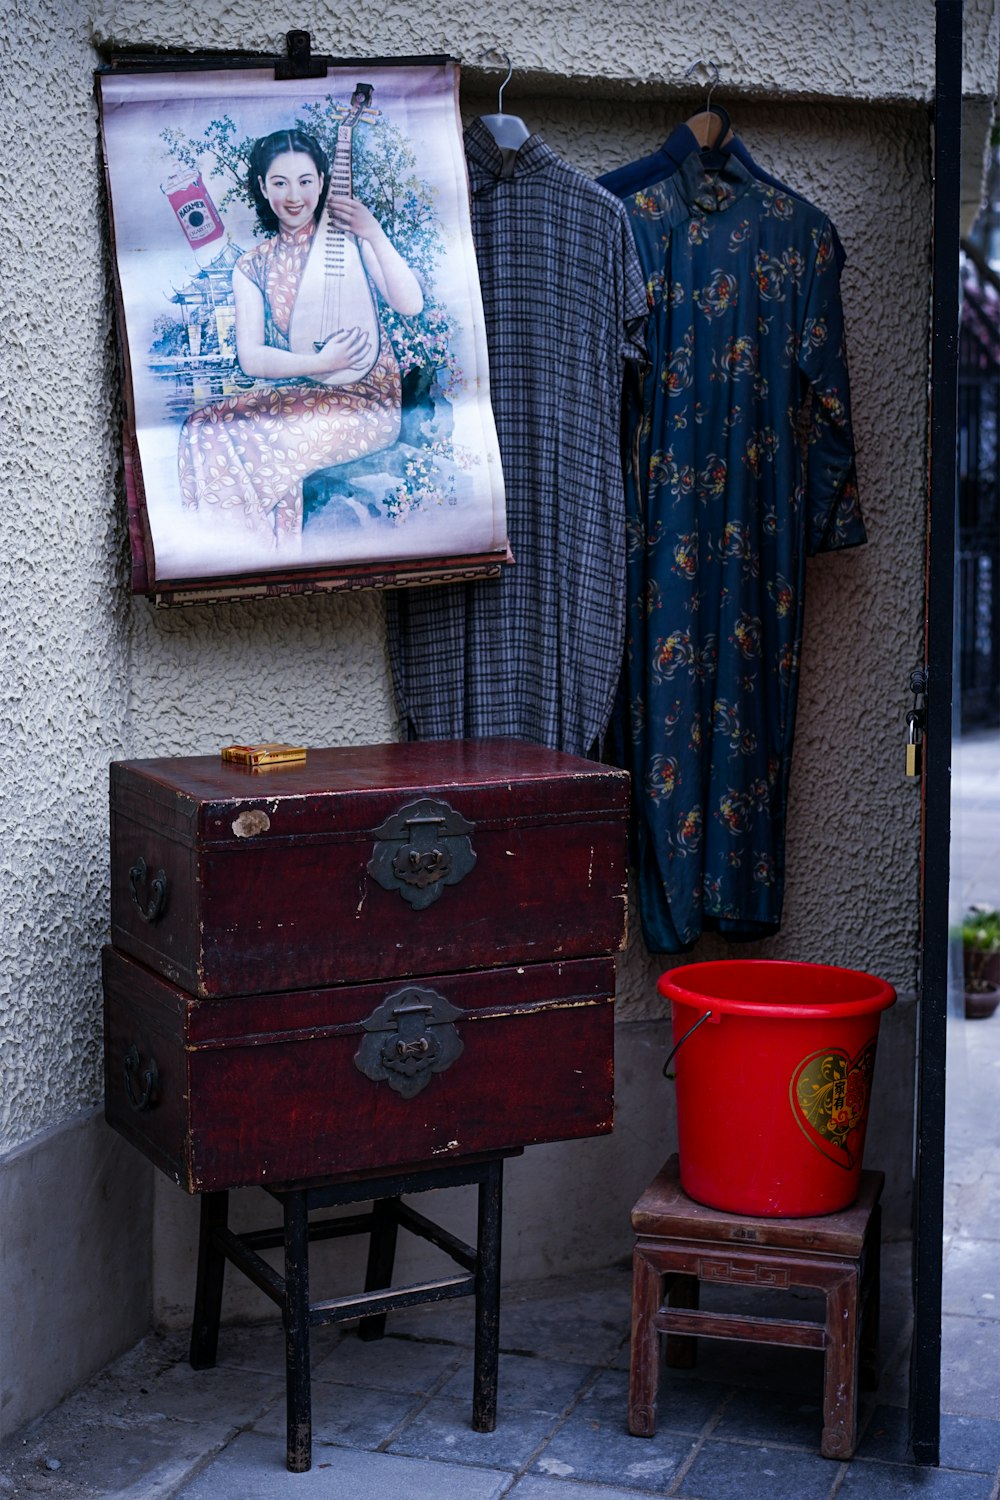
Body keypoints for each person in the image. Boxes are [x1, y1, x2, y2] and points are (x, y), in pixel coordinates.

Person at [178, 128, 423, 544]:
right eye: (280, 182)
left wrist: (374, 233)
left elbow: (410, 303)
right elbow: (252, 358)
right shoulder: (252, 265)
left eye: (305, 181)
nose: (294, 195)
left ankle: (251, 552)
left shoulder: (348, 240)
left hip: (365, 403)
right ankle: (228, 552)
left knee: (265, 436)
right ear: (262, 186)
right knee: (202, 426)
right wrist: (319, 364)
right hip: (300, 393)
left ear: (323, 182)